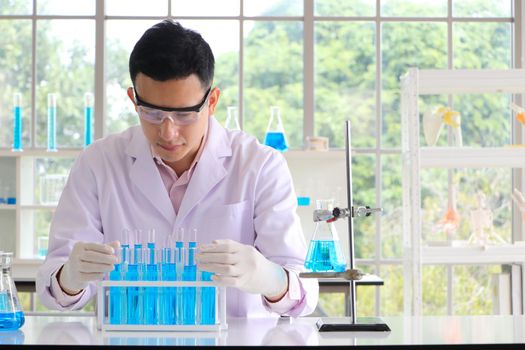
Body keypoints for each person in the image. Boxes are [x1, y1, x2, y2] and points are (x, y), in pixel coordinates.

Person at [36, 19, 318, 318]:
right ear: (133, 99)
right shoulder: (98, 163)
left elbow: (303, 297)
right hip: (128, 339)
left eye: (184, 114)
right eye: (152, 113)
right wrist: (70, 278)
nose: (168, 132)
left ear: (211, 101)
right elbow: (54, 294)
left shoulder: (260, 165)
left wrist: (269, 277)